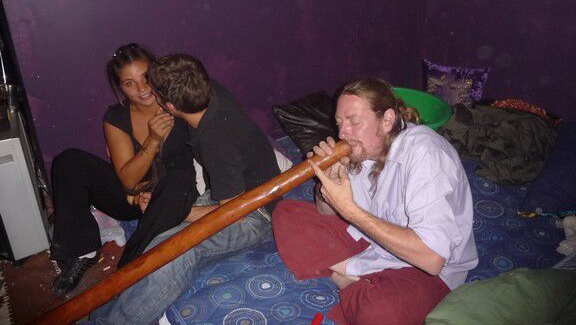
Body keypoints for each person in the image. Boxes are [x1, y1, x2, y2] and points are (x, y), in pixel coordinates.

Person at [90, 54, 279, 324]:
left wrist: (181, 211)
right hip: (232, 194)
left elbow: (234, 212)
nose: (145, 92)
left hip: (253, 214)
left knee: (173, 252)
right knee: (158, 237)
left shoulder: (216, 141)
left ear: (170, 107)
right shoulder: (205, 91)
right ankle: (109, 306)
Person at [272, 78, 478, 325]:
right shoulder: (364, 149)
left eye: (353, 122)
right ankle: (349, 280)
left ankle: (351, 279)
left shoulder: (427, 153)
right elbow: (325, 212)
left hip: (426, 269)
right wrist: (328, 185)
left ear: (387, 120)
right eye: (339, 123)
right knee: (287, 213)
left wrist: (350, 211)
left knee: (380, 312)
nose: (342, 133)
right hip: (373, 242)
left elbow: (432, 259)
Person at [50, 43, 198, 297]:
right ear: (120, 87)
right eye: (129, 83)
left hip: (172, 196)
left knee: (176, 184)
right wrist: (153, 139)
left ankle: (127, 269)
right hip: (131, 198)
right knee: (68, 161)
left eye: (146, 77)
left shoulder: (178, 101)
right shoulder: (116, 117)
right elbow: (128, 180)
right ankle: (84, 250)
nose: (142, 89)